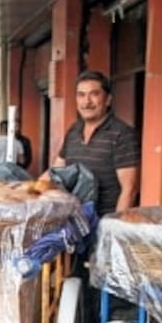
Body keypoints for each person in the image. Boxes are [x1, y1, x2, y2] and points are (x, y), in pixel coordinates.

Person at [44, 70, 140, 215]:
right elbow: (55, 172)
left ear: (108, 99)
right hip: (74, 222)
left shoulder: (121, 134)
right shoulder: (73, 131)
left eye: (94, 94)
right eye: (81, 95)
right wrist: (24, 189)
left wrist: (114, 229)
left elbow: (129, 190)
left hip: (103, 223)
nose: (87, 101)